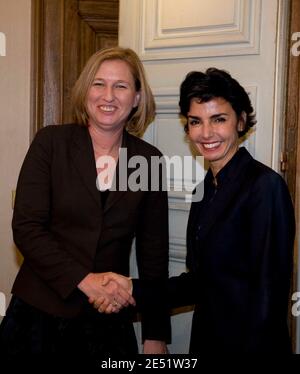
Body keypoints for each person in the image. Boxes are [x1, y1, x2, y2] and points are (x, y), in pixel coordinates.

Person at [98, 68, 295, 354]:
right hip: (207, 340)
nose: (206, 133)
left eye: (219, 119)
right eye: (195, 122)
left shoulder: (265, 187)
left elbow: (268, 298)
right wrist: (132, 289)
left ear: (240, 121)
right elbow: (200, 283)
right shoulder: (205, 189)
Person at [0, 47, 170, 359]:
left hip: (108, 318)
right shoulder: (50, 143)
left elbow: (154, 254)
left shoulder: (149, 160)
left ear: (136, 98)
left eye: (121, 86)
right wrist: (85, 281)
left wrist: (155, 334)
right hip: (39, 315)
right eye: (99, 84)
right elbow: (27, 228)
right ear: (85, 91)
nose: (109, 96)